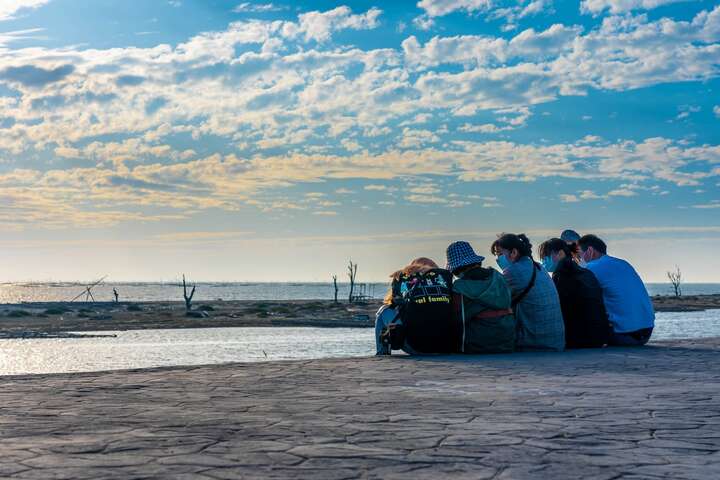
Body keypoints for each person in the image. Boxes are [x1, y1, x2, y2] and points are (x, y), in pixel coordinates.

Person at [491, 233, 565, 351]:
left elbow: (494, 299)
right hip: (556, 341)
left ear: (513, 253)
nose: (497, 259)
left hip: (536, 344)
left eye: (500, 254)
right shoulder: (539, 267)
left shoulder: (513, 271)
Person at [577, 234, 655, 346]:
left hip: (623, 335)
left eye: (579, 255)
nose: (579, 260)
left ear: (590, 251)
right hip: (646, 332)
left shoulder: (591, 267)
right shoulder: (623, 263)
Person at [375, 257, 459, 355]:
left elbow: (394, 303)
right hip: (445, 347)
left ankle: (382, 353)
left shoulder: (405, 279)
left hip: (415, 347)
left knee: (384, 311)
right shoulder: (443, 281)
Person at [538, 238, 611, 348]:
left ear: (560, 253)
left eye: (545, 257)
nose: (543, 261)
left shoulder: (561, 275)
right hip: (598, 336)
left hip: (578, 339)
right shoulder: (585, 272)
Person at [446, 241, 515, 353]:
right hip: (506, 341)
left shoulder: (459, 286)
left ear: (456, 268)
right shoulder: (497, 276)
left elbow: (457, 319)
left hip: (477, 344)